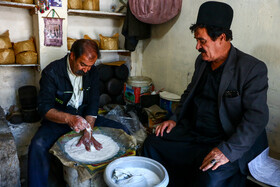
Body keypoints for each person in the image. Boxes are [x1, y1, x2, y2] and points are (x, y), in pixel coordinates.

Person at [142, 1, 269, 187]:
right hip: (194, 132)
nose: (197, 47)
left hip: (225, 139)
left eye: (202, 41)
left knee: (210, 177)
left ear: (222, 38)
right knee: (152, 144)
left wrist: (227, 151)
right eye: (197, 40)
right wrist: (175, 119)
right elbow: (188, 94)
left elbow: (256, 118)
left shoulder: (251, 68)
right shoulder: (202, 62)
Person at [28, 39, 130, 187]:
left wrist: (88, 129)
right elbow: (44, 108)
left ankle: (120, 179)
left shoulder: (92, 72)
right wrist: (69, 119)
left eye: (90, 66)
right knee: (37, 145)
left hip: (83, 117)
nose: (86, 70)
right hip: (60, 119)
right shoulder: (52, 72)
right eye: (83, 64)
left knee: (123, 131)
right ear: (72, 56)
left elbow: (94, 102)